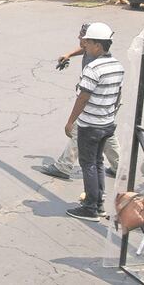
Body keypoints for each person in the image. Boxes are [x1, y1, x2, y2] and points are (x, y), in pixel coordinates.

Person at [43, 22, 121, 180]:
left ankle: (64, 167)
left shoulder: (95, 62)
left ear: (93, 43)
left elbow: (84, 96)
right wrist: (69, 55)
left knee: (80, 129)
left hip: (95, 101)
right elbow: (82, 50)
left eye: (83, 38)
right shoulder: (97, 52)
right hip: (105, 102)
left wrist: (70, 121)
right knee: (107, 134)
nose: (80, 39)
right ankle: (120, 167)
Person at [64, 22, 125, 221]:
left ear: (98, 45)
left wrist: (71, 121)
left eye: (88, 43)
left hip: (90, 125)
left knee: (88, 164)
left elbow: (83, 97)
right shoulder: (117, 66)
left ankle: (90, 207)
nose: (85, 46)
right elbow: (117, 95)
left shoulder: (93, 67)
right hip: (107, 123)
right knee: (98, 162)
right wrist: (109, 115)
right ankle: (99, 204)